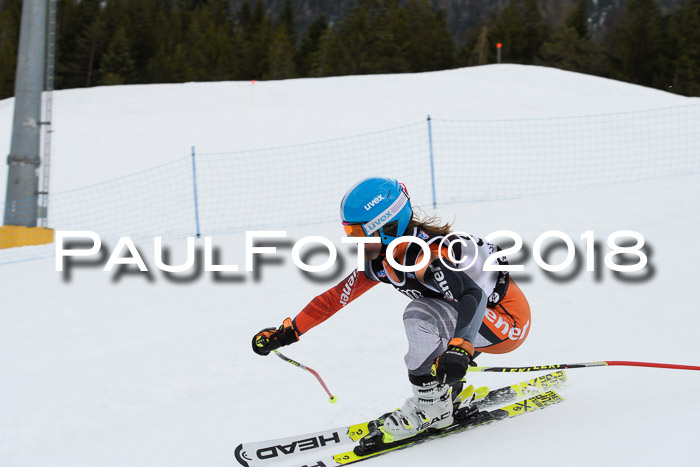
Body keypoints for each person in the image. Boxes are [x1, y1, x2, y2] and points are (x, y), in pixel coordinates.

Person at [252, 177, 531, 443]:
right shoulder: (385, 258)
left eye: (359, 233)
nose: (354, 241)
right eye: (350, 233)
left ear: (387, 227)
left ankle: (432, 409)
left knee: (419, 315)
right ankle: (445, 393)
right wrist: (288, 331)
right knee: (427, 316)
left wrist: (460, 347)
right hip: (477, 321)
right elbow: (336, 297)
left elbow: (472, 295)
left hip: (506, 324)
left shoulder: (426, 258)